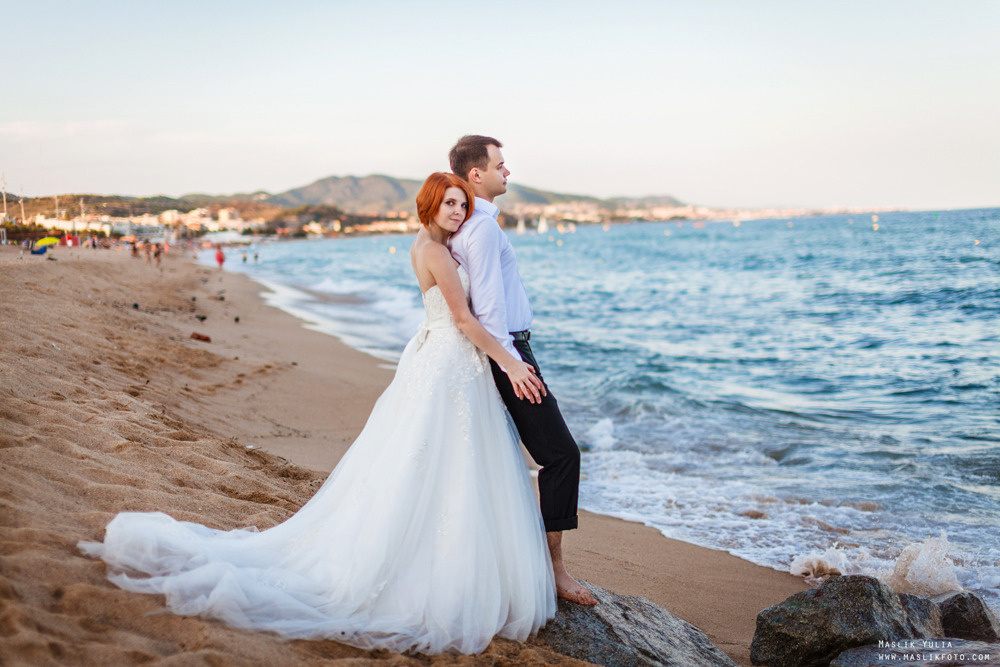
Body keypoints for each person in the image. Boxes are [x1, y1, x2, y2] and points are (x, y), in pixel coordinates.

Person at [79, 172, 556, 654]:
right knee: (446, 461)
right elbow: (462, 318)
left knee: (431, 460)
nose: (458, 212)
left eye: (462, 205)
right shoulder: (435, 251)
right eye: (449, 204)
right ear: (430, 206)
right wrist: (509, 362)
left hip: (440, 359)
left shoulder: (424, 245)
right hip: (451, 359)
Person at [448, 135, 598, 606]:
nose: (507, 172)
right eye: (500, 164)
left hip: (500, 352)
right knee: (561, 456)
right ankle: (554, 571)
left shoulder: (466, 224)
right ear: (477, 174)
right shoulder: (482, 227)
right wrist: (514, 366)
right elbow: (489, 309)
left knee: (500, 458)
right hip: (508, 352)